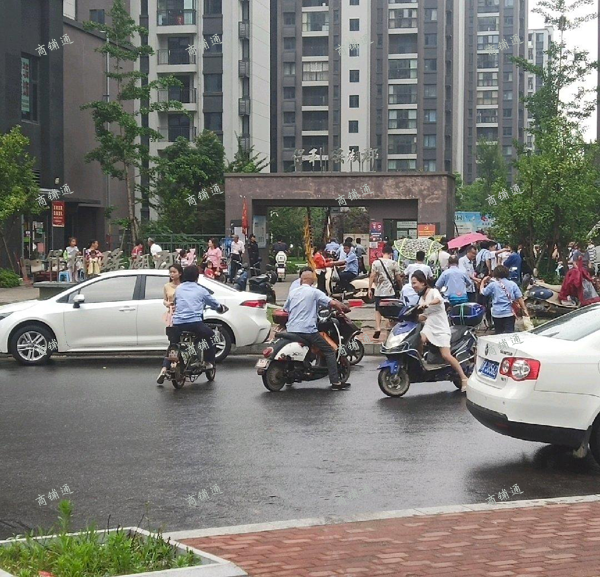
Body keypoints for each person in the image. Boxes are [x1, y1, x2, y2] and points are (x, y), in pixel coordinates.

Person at [156, 265, 226, 384]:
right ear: (197, 277)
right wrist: (220, 308)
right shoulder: (201, 290)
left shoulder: (179, 289)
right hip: (194, 323)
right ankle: (208, 362)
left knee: (174, 344)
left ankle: (164, 368)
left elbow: (176, 302)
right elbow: (214, 303)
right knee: (211, 336)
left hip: (177, 323)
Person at [283, 269, 351, 390]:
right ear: (313, 280)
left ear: (301, 280)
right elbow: (332, 303)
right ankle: (335, 382)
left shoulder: (293, 292)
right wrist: (342, 308)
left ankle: (292, 374)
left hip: (291, 328)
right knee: (329, 351)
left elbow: (286, 309)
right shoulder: (314, 292)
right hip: (307, 330)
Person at [411, 270, 469, 392]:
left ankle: (464, 378)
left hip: (441, 327)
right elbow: (424, 316)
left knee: (446, 355)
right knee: (419, 339)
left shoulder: (433, 292)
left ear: (423, 283)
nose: (413, 286)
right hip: (429, 325)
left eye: (414, 283)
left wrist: (428, 303)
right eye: (412, 283)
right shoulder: (421, 298)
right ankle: (422, 363)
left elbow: (438, 300)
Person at [480, 265, 529, 335]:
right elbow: (519, 298)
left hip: (497, 313)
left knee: (499, 333)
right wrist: (524, 309)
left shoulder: (492, 285)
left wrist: (483, 282)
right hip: (509, 313)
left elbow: (482, 292)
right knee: (510, 334)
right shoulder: (513, 284)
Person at [368, 245, 402, 339]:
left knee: (378, 309)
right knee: (390, 310)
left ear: (382, 253)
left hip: (379, 291)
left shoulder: (376, 263)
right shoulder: (393, 263)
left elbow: (372, 275)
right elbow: (398, 278)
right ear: (391, 254)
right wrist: (401, 287)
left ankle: (378, 327)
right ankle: (389, 328)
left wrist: (369, 288)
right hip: (390, 291)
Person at [162, 263, 183, 341]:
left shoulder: (183, 286)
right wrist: (167, 304)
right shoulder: (166, 286)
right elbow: (164, 300)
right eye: (170, 272)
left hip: (182, 313)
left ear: (180, 273)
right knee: (173, 337)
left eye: (174, 272)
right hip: (171, 314)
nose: (172, 274)